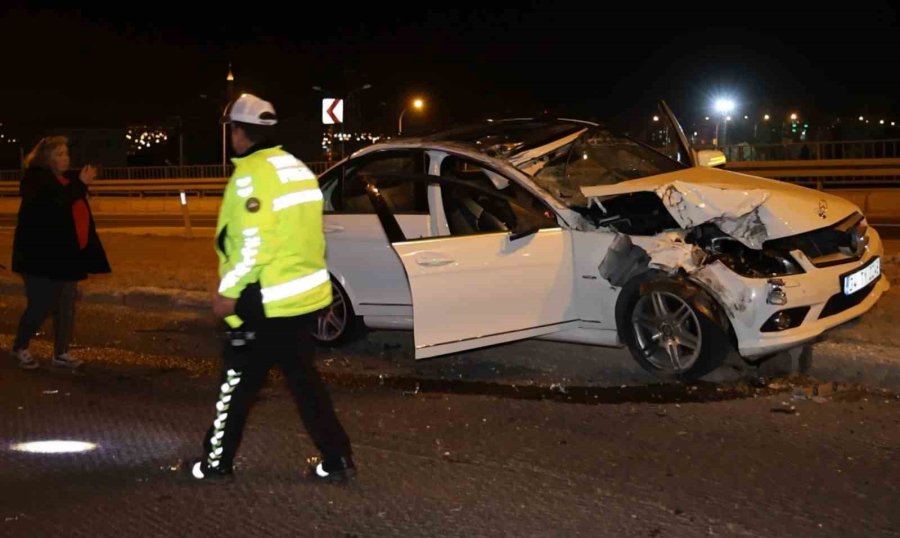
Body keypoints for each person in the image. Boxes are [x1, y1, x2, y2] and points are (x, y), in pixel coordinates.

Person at [185, 93, 355, 484]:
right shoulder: (297, 169)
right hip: (301, 299)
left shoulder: (252, 175)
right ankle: (337, 458)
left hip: (262, 299)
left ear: (240, 132)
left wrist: (229, 291)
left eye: (231, 130)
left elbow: (250, 244)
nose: (231, 137)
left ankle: (215, 462)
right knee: (304, 382)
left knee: (236, 384)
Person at [10, 136, 110, 370]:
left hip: (65, 254)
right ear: (46, 158)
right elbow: (56, 205)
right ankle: (20, 346)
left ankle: (61, 352)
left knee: (66, 304)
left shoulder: (65, 181)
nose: (65, 158)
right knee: (41, 304)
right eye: (59, 154)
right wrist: (82, 185)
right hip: (37, 256)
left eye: (66, 153)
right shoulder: (36, 181)